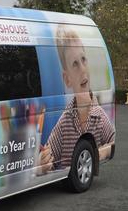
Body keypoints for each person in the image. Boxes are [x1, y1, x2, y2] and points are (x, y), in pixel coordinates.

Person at [38, 25, 115, 173]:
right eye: (75, 64)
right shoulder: (65, 121)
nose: (82, 68)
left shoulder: (98, 116)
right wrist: (42, 163)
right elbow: (48, 156)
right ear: (67, 79)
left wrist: (102, 152)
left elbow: (112, 144)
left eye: (83, 60)